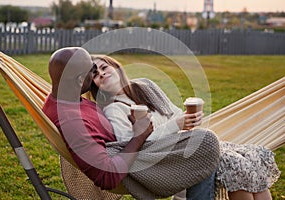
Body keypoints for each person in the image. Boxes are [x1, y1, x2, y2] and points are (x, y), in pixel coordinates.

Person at [90, 55, 281, 200]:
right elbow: (136, 148)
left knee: (249, 159)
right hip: (167, 161)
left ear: (115, 66)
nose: (102, 74)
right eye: (96, 76)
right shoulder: (114, 110)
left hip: (185, 145)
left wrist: (189, 119)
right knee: (234, 164)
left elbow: (173, 113)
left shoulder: (145, 86)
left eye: (104, 67)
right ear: (97, 87)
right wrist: (176, 125)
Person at [42, 47, 220, 200]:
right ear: (81, 80)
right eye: (93, 69)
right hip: (135, 162)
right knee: (205, 142)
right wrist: (139, 135)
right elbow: (107, 176)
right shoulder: (73, 121)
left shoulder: (66, 98)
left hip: (136, 149)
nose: (99, 72)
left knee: (209, 151)